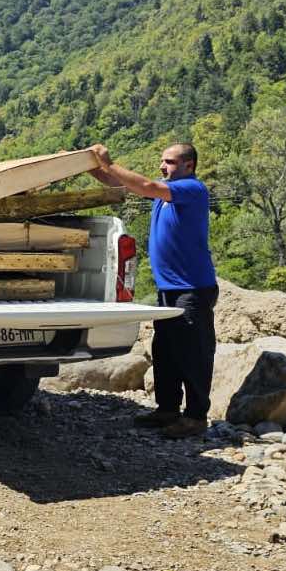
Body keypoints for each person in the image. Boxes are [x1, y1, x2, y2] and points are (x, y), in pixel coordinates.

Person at [88, 142, 218, 438]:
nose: (162, 166)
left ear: (189, 165)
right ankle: (168, 409)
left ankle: (195, 417)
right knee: (166, 351)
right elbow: (119, 183)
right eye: (162, 161)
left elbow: (145, 186)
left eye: (169, 162)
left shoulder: (192, 189)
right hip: (169, 288)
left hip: (192, 288)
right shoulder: (165, 191)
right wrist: (90, 167)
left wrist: (109, 162)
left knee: (193, 354)